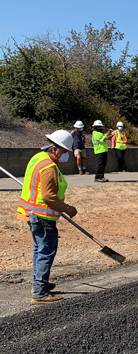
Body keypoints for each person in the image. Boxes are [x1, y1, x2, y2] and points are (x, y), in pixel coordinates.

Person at [17, 130, 78, 304]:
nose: (66, 155)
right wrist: (67, 209)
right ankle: (40, 293)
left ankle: (39, 283)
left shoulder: (38, 158)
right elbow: (48, 196)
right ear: (56, 149)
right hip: (43, 216)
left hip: (33, 214)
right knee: (46, 251)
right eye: (65, 151)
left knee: (39, 249)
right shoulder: (49, 167)